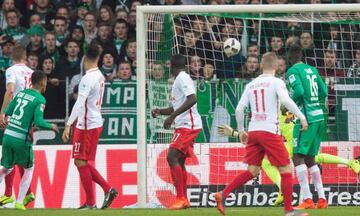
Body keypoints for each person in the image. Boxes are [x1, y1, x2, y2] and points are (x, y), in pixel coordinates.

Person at [214, 52, 308, 216]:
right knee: (286, 168)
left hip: (254, 130)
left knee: (253, 170)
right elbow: (286, 101)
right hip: (270, 130)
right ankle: (289, 211)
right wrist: (302, 117)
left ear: (261, 65)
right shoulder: (277, 82)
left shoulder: (251, 84)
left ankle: (223, 194)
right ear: (277, 66)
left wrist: (242, 130)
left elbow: (239, 109)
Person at [62, 42, 118, 210]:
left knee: (80, 161)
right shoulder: (100, 75)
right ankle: (97, 197)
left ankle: (96, 198)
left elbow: (80, 102)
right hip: (92, 122)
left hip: (87, 125)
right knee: (81, 162)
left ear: (84, 58)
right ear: (99, 58)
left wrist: (68, 124)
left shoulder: (88, 78)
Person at [0, 70, 59, 210]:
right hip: (21, 138)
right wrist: (52, 126)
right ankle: (20, 202)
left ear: (31, 81)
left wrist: (4, 119)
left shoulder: (20, 93)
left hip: (7, 136)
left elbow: (8, 111)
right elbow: (38, 121)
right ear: (43, 82)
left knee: (6, 167)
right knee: (29, 168)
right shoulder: (40, 99)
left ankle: (13, 198)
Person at [151, 54, 202, 210]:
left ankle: (180, 198)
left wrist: (172, 117)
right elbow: (177, 106)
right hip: (183, 125)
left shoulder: (182, 78)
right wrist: (161, 111)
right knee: (179, 161)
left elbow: (192, 99)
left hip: (188, 125)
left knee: (171, 156)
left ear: (172, 66)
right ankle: (184, 200)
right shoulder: (179, 80)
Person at [286, 45, 328, 209]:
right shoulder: (312, 69)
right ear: (301, 56)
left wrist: (289, 104)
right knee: (310, 158)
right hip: (319, 117)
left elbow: (299, 91)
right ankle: (322, 199)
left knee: (297, 157)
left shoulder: (292, 71)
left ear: (290, 58)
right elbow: (324, 91)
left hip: (306, 118)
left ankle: (308, 199)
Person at [0, 45, 36, 208]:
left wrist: (2, 113)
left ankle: (9, 194)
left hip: (15, 117)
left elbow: (10, 91)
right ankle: (26, 193)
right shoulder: (31, 72)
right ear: (25, 57)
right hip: (29, 120)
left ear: (11, 57)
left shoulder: (11, 70)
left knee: (10, 155)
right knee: (22, 156)